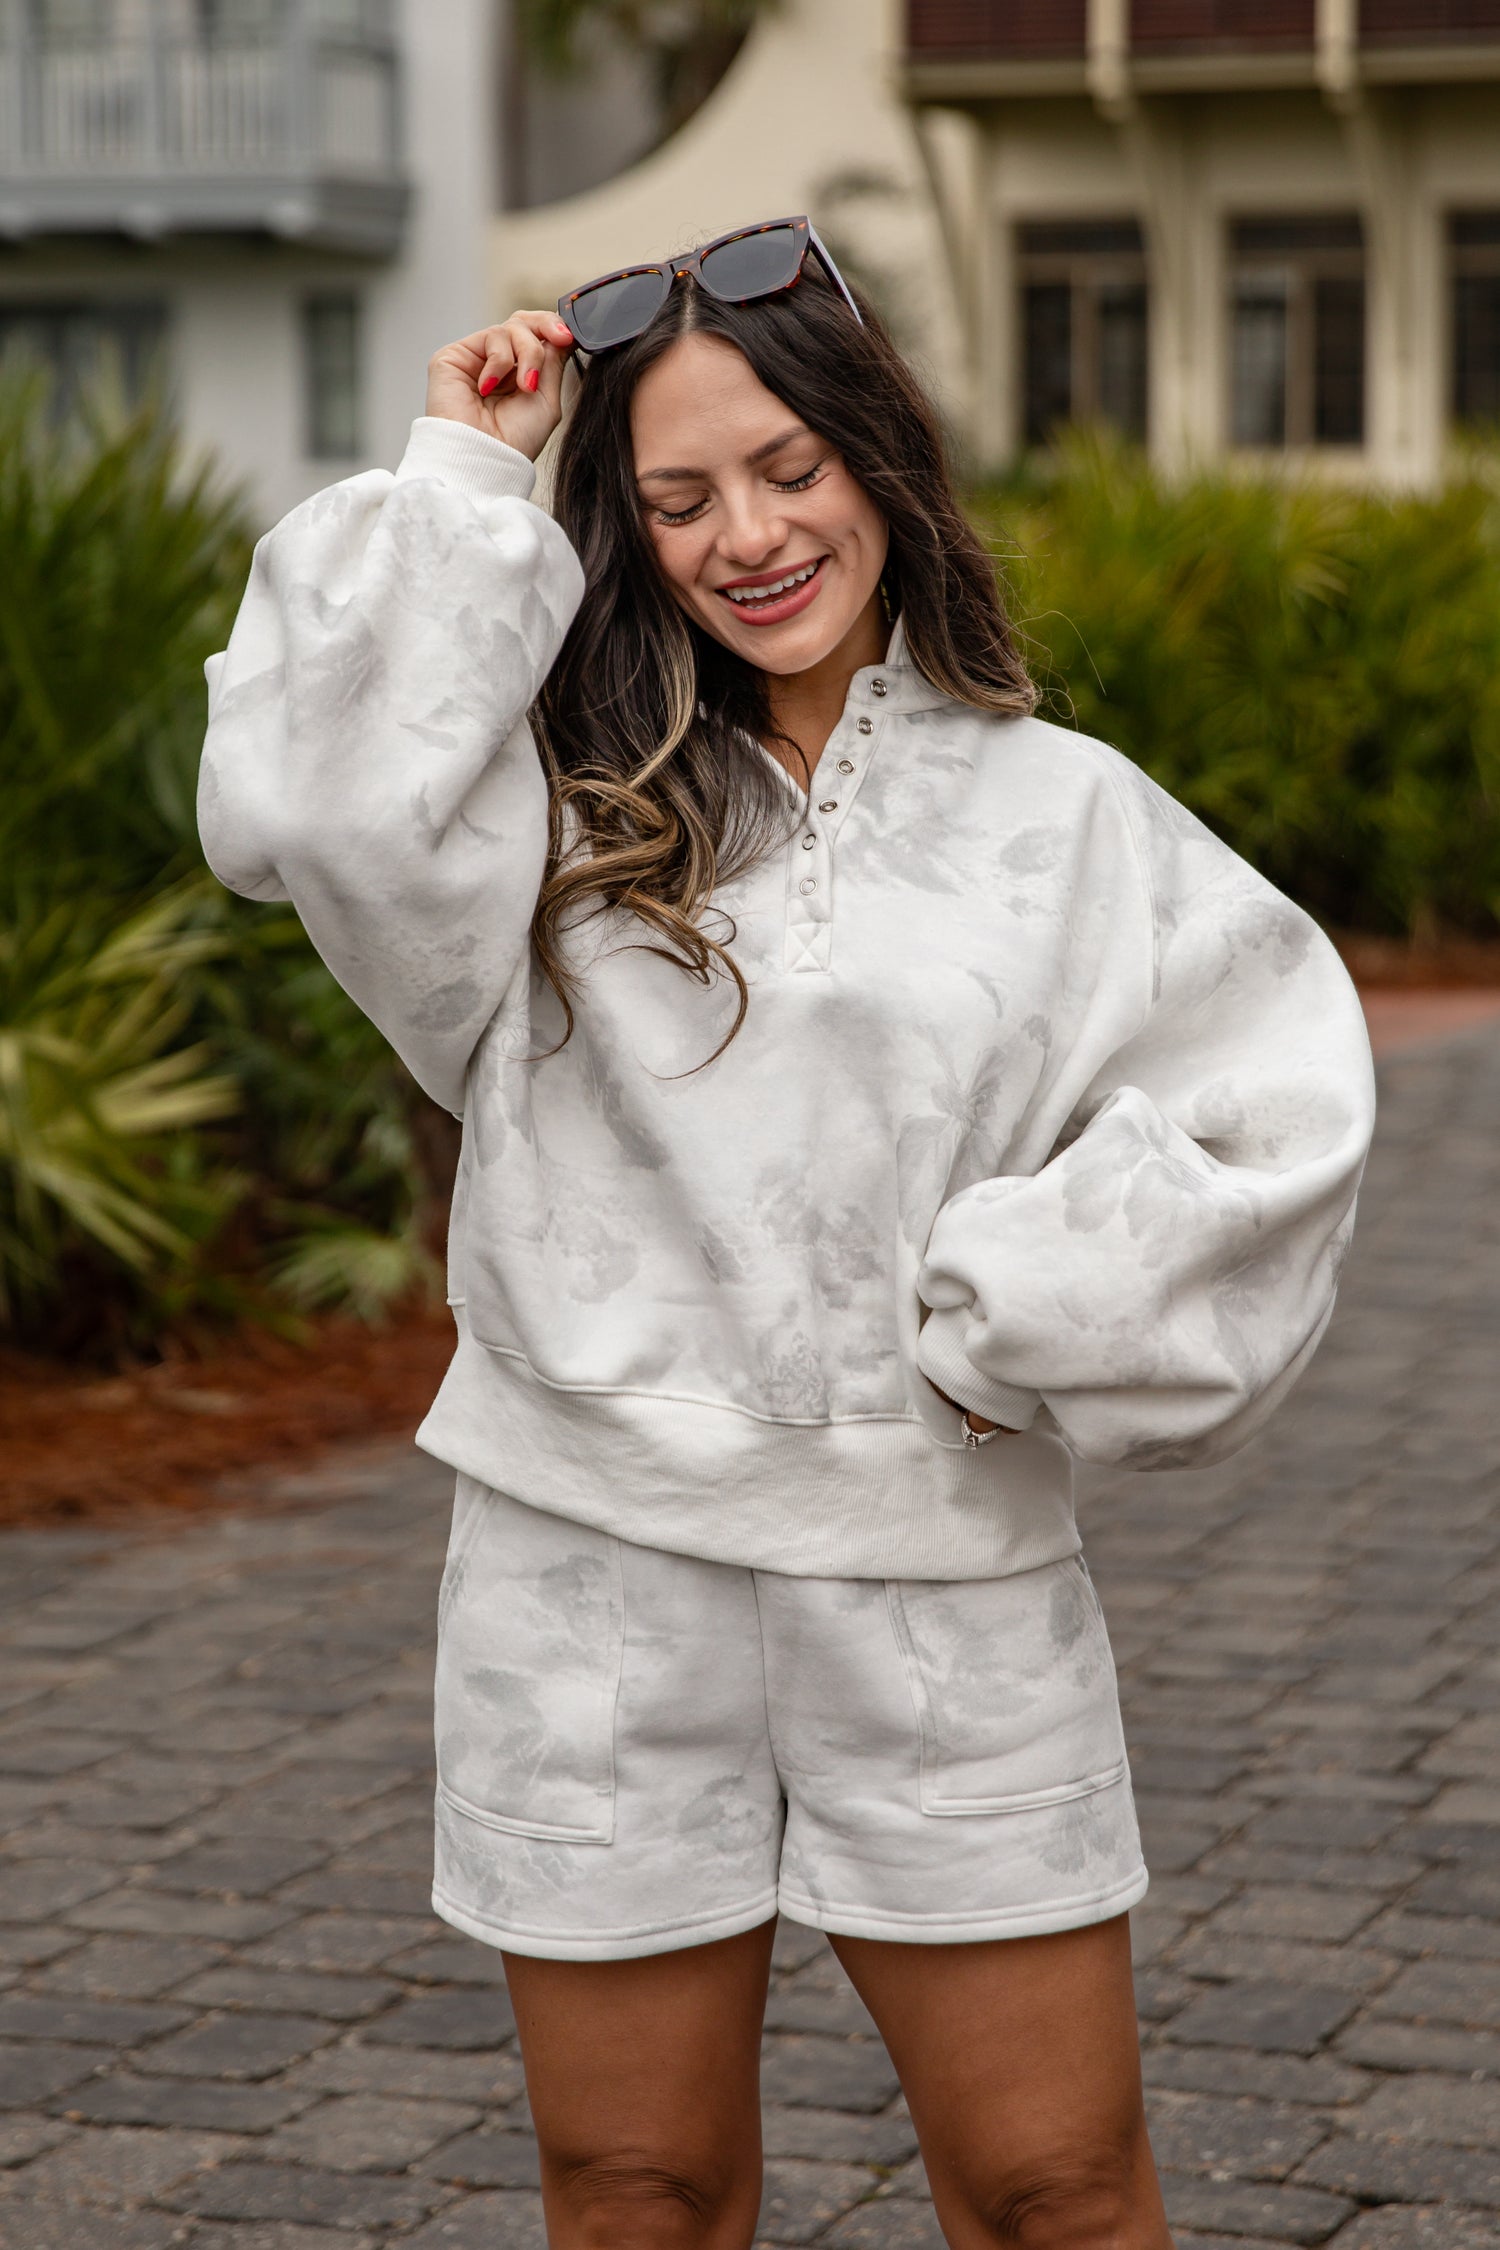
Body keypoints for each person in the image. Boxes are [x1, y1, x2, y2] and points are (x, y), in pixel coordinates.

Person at [198, 216, 1375, 2250]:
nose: (746, 535)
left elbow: (1270, 1111)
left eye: (789, 467)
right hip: (588, 1579)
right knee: (635, 2191)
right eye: (677, 499)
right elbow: (310, 809)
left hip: (943, 1580)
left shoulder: (1066, 810)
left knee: (1059, 2190)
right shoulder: (537, 809)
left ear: (878, 456)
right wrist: (468, 474)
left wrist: (1009, 1316)